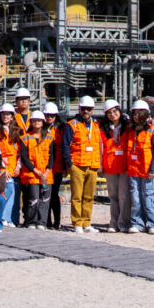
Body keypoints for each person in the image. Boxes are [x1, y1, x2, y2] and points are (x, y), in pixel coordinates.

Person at [63, 96, 102, 233]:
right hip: (77, 165)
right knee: (77, 196)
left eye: (89, 109)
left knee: (89, 196)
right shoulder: (72, 125)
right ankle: (77, 223)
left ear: (93, 110)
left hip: (92, 165)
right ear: (79, 109)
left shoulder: (96, 125)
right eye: (84, 109)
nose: (86, 111)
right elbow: (66, 146)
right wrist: (70, 164)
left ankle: (87, 222)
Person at [127, 100, 154, 234]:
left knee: (150, 199)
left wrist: (153, 170)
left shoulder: (153, 131)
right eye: (134, 114)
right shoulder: (131, 131)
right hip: (135, 170)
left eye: (139, 114)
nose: (136, 116)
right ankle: (137, 223)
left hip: (149, 172)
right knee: (136, 200)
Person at [18, 110, 54, 229]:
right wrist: (36, 171)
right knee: (33, 198)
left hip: (46, 175)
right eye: (34, 121)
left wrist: (47, 171)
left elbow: (52, 156)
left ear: (43, 122)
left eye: (39, 120)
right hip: (32, 174)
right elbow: (24, 157)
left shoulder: (49, 138)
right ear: (31, 122)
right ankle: (31, 221)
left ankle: (42, 222)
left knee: (45, 199)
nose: (37, 123)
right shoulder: (25, 138)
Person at [100, 99, 132, 233]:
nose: (113, 115)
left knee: (124, 196)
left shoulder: (127, 127)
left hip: (124, 166)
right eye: (109, 113)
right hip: (110, 166)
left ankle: (123, 222)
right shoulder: (103, 130)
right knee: (113, 196)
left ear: (119, 111)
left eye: (115, 111)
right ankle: (113, 222)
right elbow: (100, 147)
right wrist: (100, 166)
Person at [0, 104, 20, 227]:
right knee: (8, 190)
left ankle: (8, 218)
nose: (5, 116)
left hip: (14, 166)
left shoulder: (17, 131)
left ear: (12, 116)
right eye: (3, 114)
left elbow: (20, 151)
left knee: (13, 192)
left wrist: (18, 165)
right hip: (1, 165)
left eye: (8, 114)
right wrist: (2, 167)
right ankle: (3, 217)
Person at [10, 88, 33, 226]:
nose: (23, 102)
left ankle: (28, 218)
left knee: (30, 191)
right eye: (20, 99)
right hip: (17, 156)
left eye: (25, 99)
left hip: (32, 157)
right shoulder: (13, 117)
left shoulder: (35, 116)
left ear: (30, 101)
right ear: (16, 101)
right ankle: (14, 217)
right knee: (17, 190)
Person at [42, 102, 65, 229]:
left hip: (57, 168)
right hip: (44, 168)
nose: (49, 117)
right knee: (45, 194)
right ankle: (47, 220)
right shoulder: (40, 129)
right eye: (47, 115)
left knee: (54, 194)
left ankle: (57, 222)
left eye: (51, 115)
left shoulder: (60, 129)